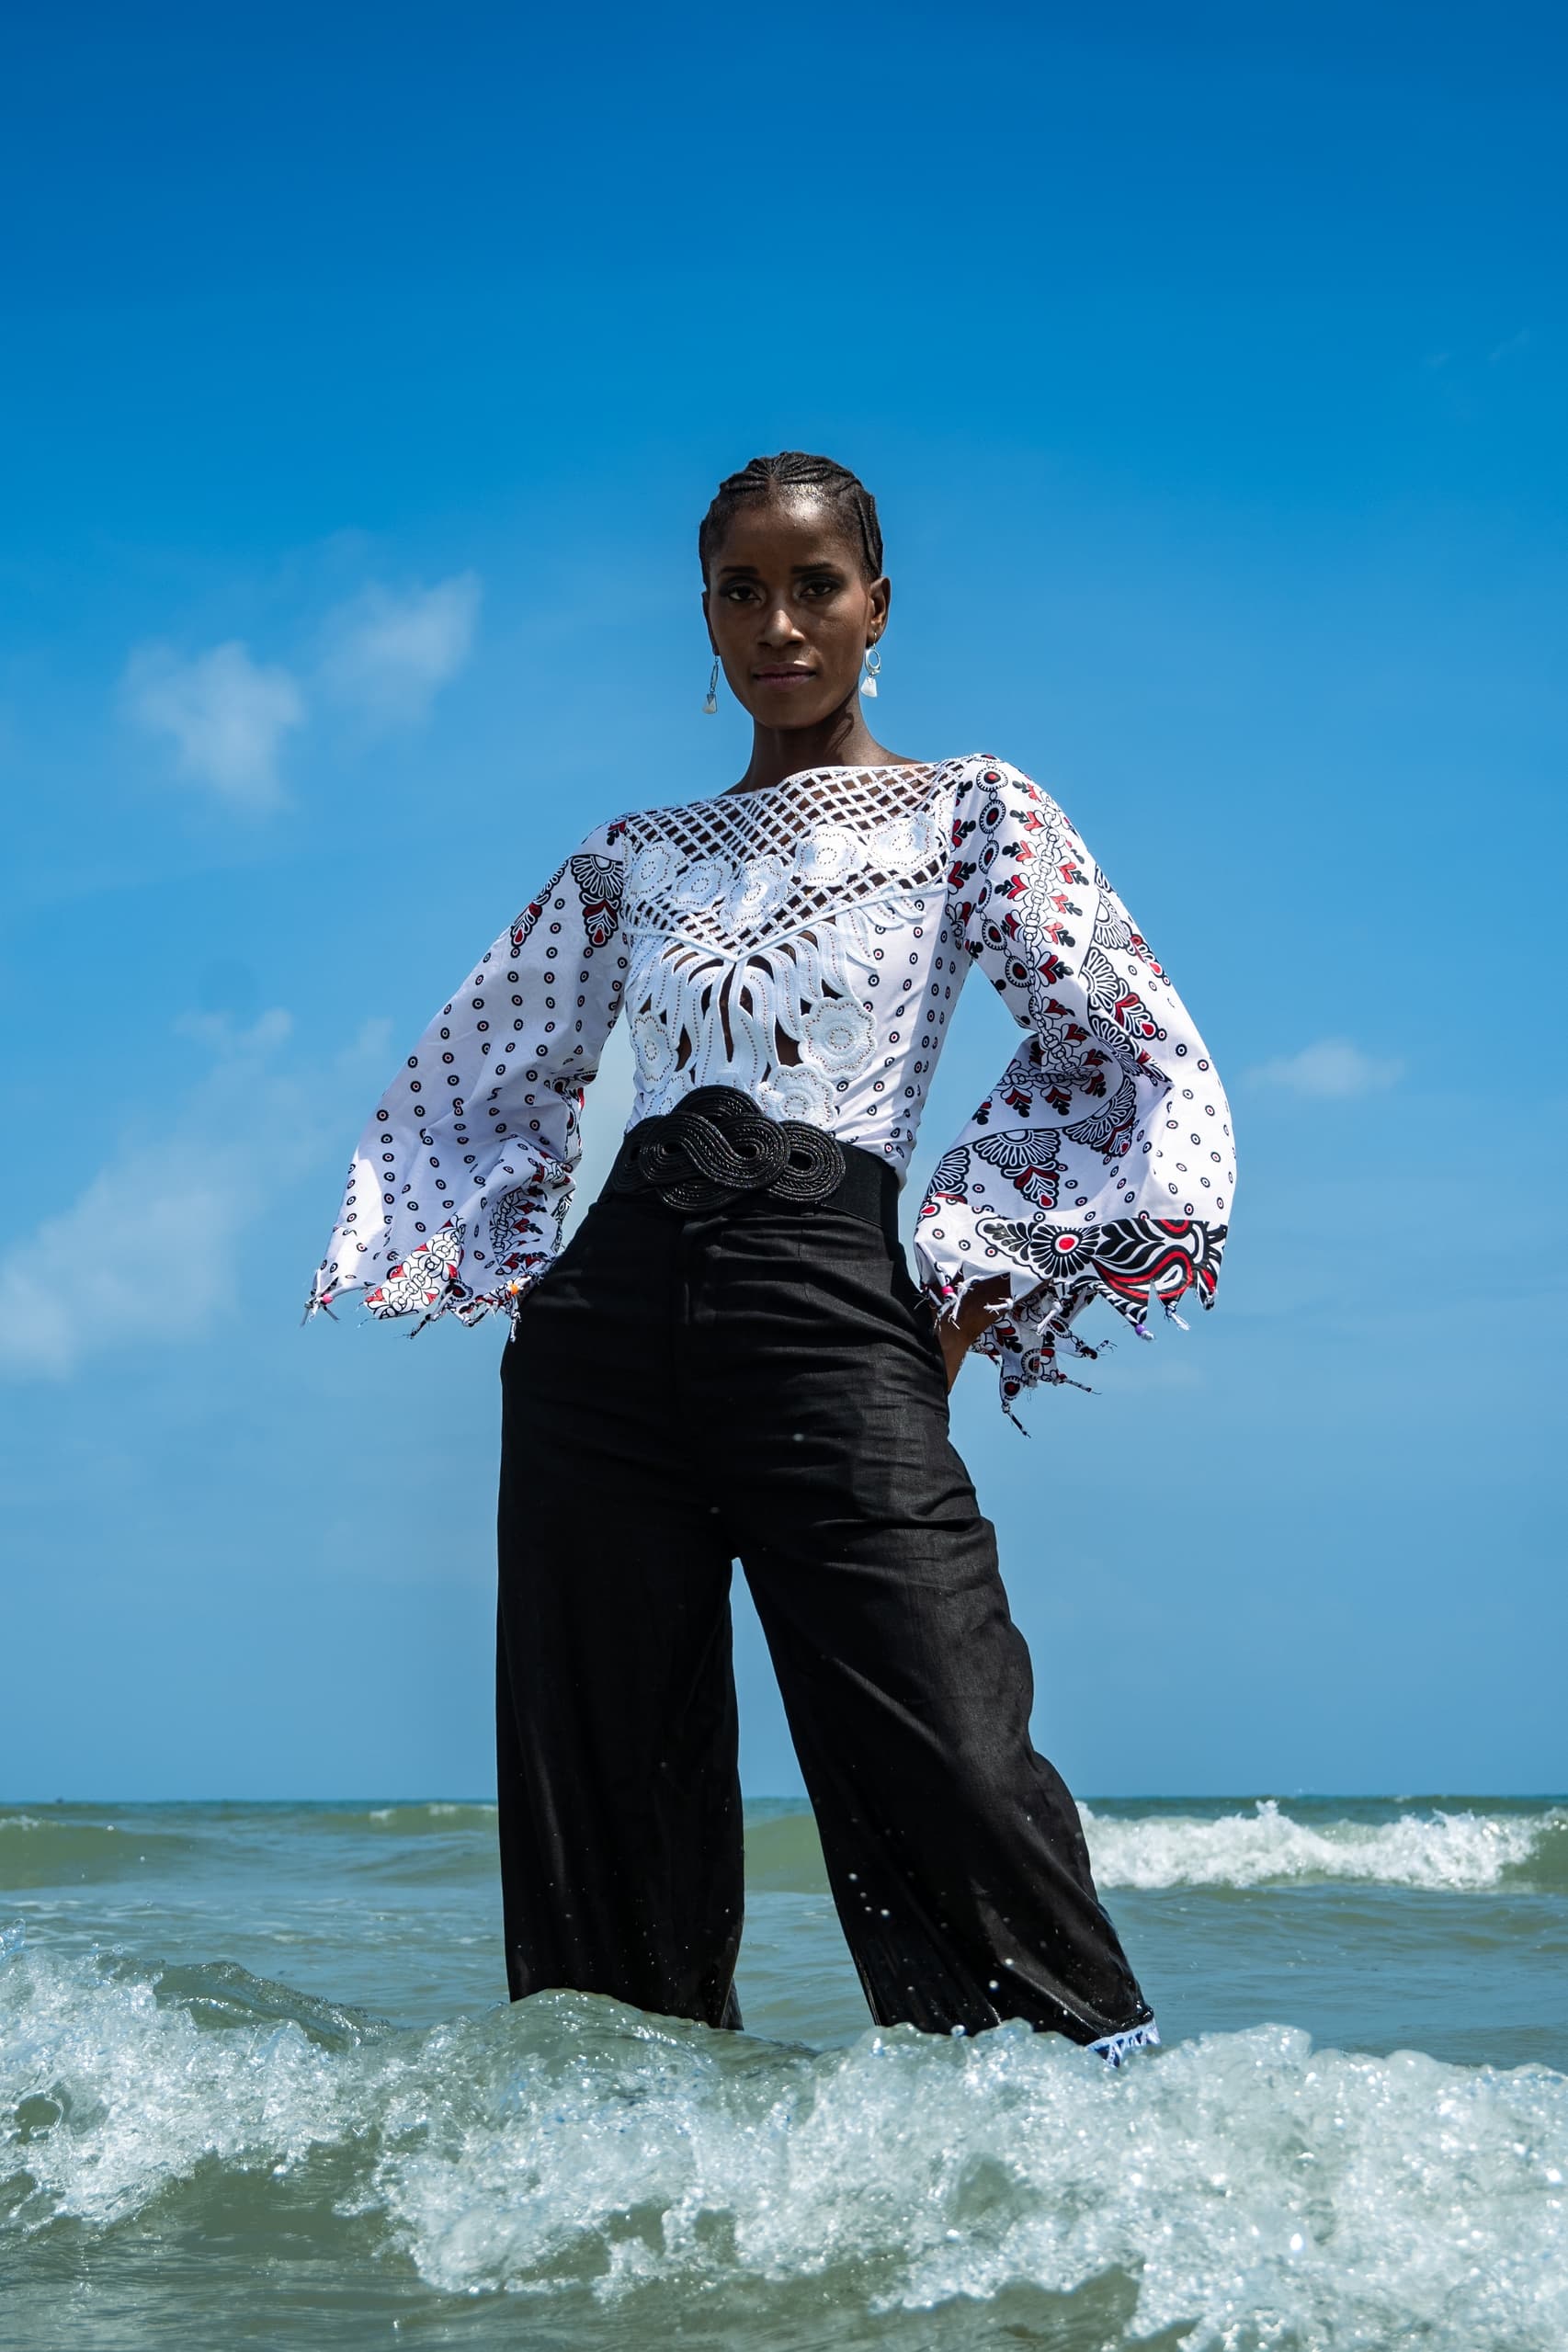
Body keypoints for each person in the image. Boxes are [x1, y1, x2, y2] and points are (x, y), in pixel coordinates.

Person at [309, 451, 1234, 2062]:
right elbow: (486, 1063)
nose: (779, 621)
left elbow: (1120, 1045)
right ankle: (636, 2139)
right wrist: (535, 1272)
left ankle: (1076, 2124)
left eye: (815, 583)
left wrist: (954, 1277)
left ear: (877, 603)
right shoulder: (634, 852)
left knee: (945, 1735)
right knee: (602, 1767)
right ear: (707, 618)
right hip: (606, 1329)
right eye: (741, 589)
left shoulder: (970, 810)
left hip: (828, 1288)